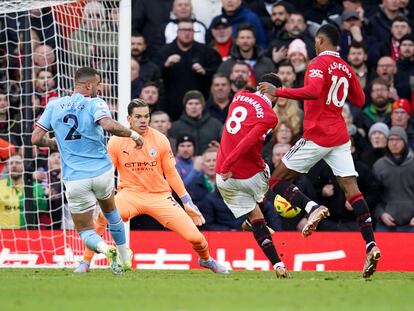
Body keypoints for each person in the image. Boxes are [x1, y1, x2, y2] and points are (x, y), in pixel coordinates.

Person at [258, 24, 381, 278]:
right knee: (353, 192)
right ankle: (371, 244)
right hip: (340, 135)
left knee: (276, 180)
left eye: (315, 42)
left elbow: (313, 92)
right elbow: (359, 100)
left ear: (320, 40)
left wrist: (278, 91)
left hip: (317, 134)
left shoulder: (317, 63)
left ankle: (312, 208)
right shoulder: (346, 68)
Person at [75, 99, 228, 274]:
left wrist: (187, 201)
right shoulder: (116, 141)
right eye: (138, 116)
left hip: (159, 196)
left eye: (146, 116)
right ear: (129, 118)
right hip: (130, 194)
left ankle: (206, 259)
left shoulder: (160, 140)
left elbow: (171, 172)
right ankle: (85, 262)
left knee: (196, 238)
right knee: (103, 216)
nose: (143, 120)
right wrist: (101, 196)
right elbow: (109, 172)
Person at [31, 67, 144, 275]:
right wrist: (134, 135)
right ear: (89, 85)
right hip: (102, 172)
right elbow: (108, 124)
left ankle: (103, 248)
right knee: (111, 212)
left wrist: (55, 144)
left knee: (84, 228)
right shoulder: (95, 103)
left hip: (75, 178)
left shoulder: (54, 105)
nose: (100, 88)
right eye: (98, 84)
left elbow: (36, 139)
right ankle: (123, 253)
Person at [216, 72, 289, 278]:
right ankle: (311, 207)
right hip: (247, 172)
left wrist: (225, 165)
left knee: (256, 218)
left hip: (223, 178)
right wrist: (230, 162)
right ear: (273, 94)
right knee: (276, 180)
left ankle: (278, 265)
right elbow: (247, 141)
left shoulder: (238, 96)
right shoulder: (270, 116)